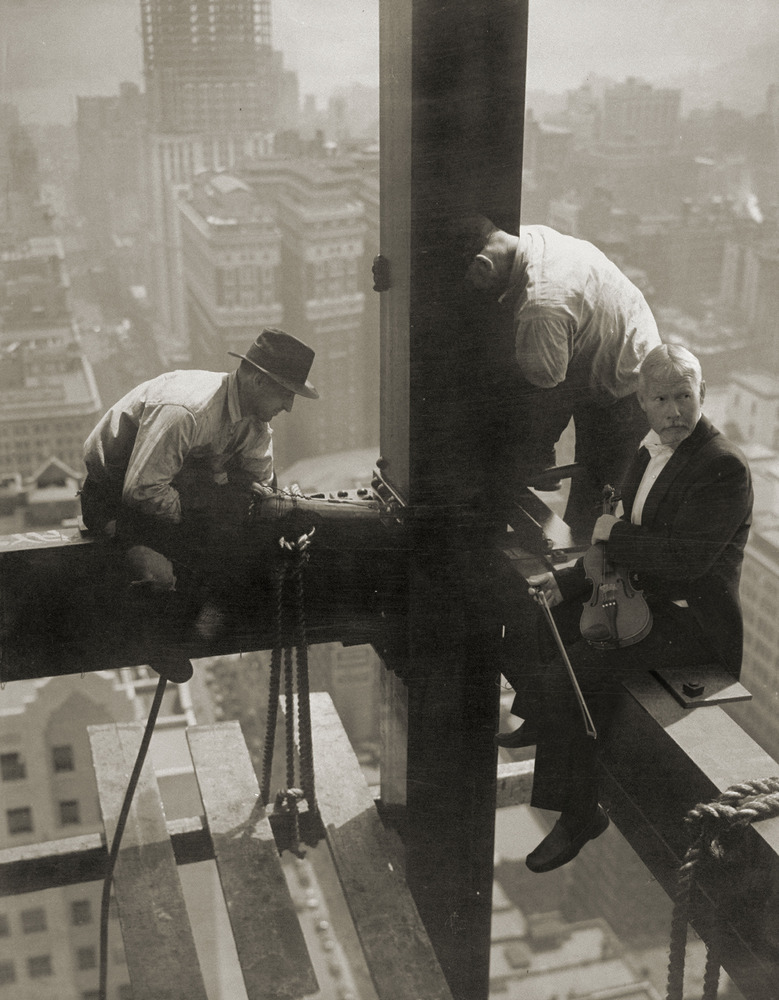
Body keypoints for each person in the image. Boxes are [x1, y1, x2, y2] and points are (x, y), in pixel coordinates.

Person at [497, 344, 752, 873]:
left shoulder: (723, 466)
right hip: (644, 598)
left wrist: (615, 532)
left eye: (685, 397)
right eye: (662, 399)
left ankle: (580, 812)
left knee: (587, 666)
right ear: (643, 402)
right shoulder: (649, 449)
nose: (675, 411)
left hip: (693, 624)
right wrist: (569, 579)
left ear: (703, 394)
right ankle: (540, 711)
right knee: (544, 610)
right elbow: (612, 541)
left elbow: (685, 561)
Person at [81, 327, 319, 682]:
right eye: (285, 393)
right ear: (255, 380)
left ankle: (199, 632)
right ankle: (163, 641)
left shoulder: (254, 423)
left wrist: (277, 511)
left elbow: (260, 485)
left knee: (245, 552)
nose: (288, 406)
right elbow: (141, 491)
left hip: (179, 492)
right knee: (164, 574)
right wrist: (207, 514)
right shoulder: (187, 411)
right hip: (115, 500)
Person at [459, 216, 662, 539]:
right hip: (613, 347)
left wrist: (534, 450)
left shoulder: (542, 305)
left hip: (628, 386)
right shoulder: (529, 238)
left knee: (593, 504)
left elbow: (547, 388)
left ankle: (579, 579)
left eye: (472, 283)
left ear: (484, 265)